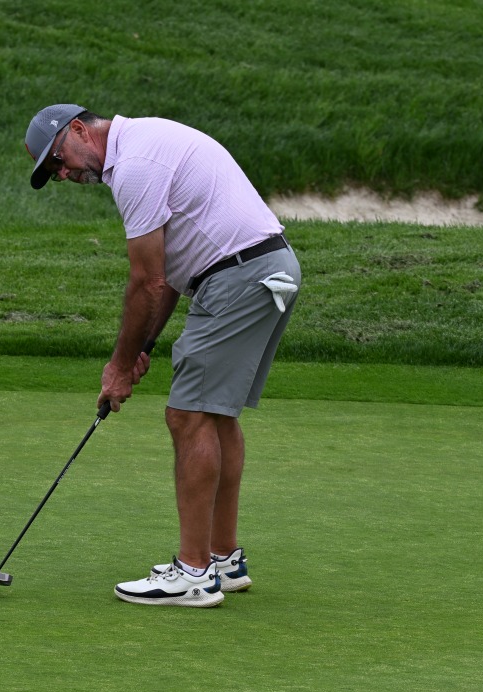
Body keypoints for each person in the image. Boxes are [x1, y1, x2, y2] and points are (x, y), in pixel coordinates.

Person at [24, 104, 301, 607]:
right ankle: (222, 559)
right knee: (215, 415)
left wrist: (118, 366)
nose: (62, 174)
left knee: (187, 415)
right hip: (266, 266)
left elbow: (146, 281)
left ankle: (193, 573)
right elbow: (170, 274)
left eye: (58, 160)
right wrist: (142, 349)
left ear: (79, 130)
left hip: (237, 275)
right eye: (52, 172)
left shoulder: (135, 166)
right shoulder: (144, 143)